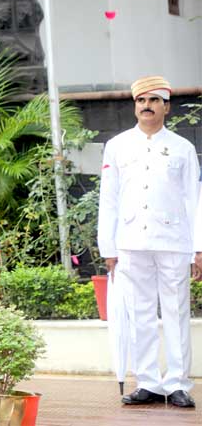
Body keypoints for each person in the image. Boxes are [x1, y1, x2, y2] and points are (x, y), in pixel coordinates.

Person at [97, 76, 200, 408]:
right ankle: (149, 382)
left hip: (173, 241)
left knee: (175, 311)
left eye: (154, 101)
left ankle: (178, 383)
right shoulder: (117, 145)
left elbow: (194, 200)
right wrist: (108, 248)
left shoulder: (183, 148)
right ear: (135, 106)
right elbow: (108, 199)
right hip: (130, 241)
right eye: (141, 101)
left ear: (166, 107)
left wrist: (198, 247)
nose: (147, 106)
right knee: (138, 312)